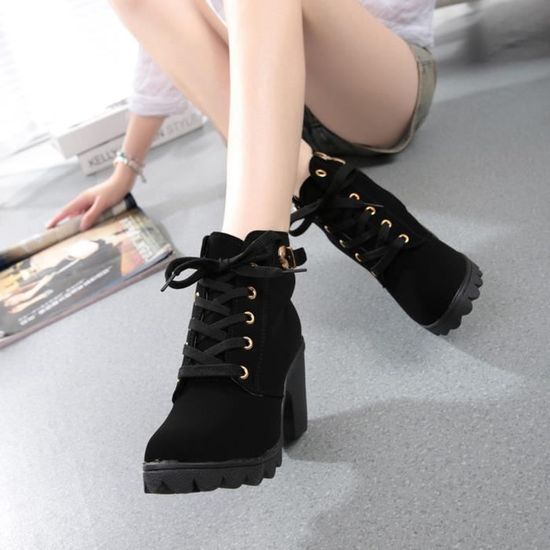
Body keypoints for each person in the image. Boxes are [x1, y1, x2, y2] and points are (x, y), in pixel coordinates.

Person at [49, 0, 483, 494]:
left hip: (373, 81)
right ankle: (330, 190)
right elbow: (166, 38)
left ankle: (254, 271)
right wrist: (125, 168)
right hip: (262, 101)